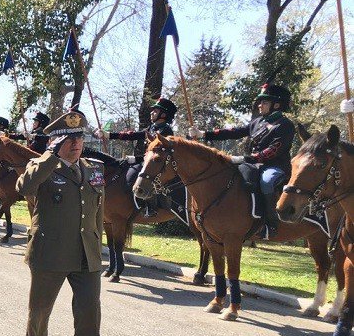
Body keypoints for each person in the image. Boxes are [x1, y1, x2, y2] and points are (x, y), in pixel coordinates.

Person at [15, 109, 121, 336]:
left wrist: (99, 244)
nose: (75, 143)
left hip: (86, 254)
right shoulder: (42, 165)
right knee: (40, 310)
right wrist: (51, 156)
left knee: (89, 315)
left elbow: (98, 212)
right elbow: (24, 187)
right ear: (56, 141)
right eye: (68, 138)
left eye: (79, 137)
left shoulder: (94, 168)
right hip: (50, 251)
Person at [188, 84, 294, 236]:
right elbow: (233, 132)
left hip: (274, 166)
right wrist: (203, 134)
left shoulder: (285, 125)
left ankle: (270, 224)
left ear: (276, 105)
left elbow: (273, 151)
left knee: (266, 181)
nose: (260, 105)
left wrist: (247, 158)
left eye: (264, 102)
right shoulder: (258, 122)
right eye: (260, 102)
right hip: (253, 163)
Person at [96, 97, 177, 216]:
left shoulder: (165, 130)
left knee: (141, 177)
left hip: (158, 164)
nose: (151, 113)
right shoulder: (152, 128)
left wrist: (136, 159)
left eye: (155, 111)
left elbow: (158, 154)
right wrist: (109, 135)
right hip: (147, 161)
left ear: (163, 114)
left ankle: (151, 207)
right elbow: (133, 135)